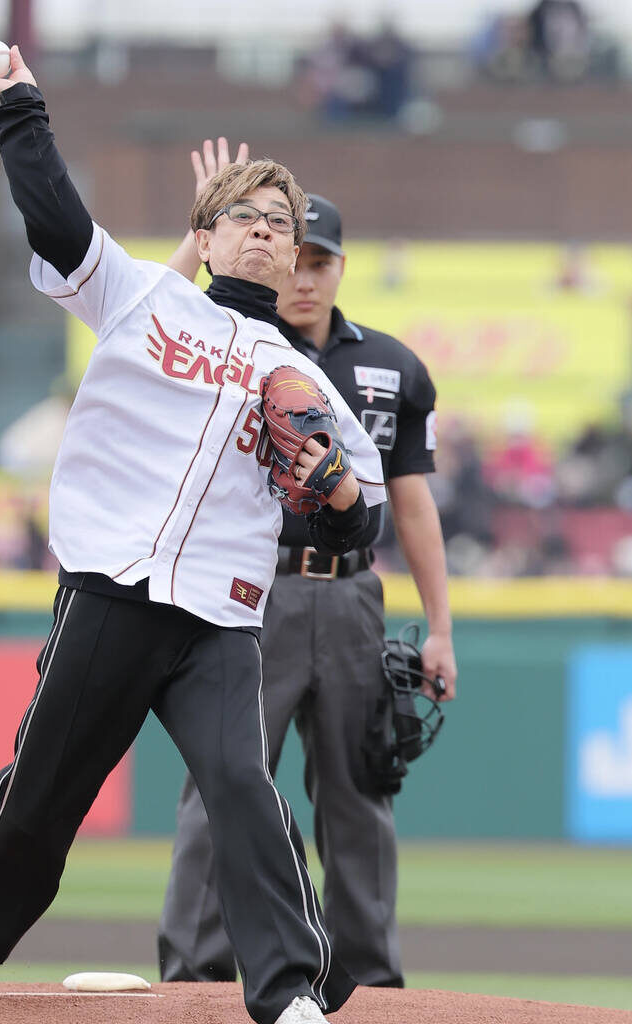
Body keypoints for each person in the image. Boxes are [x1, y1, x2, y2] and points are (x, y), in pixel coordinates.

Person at [0, 48, 387, 1024]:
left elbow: (361, 520)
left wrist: (335, 489)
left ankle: (288, 990)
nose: (264, 233)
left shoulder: (303, 380)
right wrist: (19, 101)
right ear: (206, 235)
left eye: (280, 224)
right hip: (112, 587)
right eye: (244, 218)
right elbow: (53, 214)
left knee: (242, 785)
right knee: (45, 792)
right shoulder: (140, 296)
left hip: (219, 615)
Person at [158, 145, 457, 990]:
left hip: (353, 593)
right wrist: (199, 223)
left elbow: (411, 504)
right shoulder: (229, 345)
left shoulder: (390, 368)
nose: (306, 277)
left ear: (336, 267)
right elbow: (153, 316)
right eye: (299, 258)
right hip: (254, 590)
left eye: (321, 261)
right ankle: (193, 977)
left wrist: (439, 629)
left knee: (360, 791)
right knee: (224, 782)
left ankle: (370, 983)